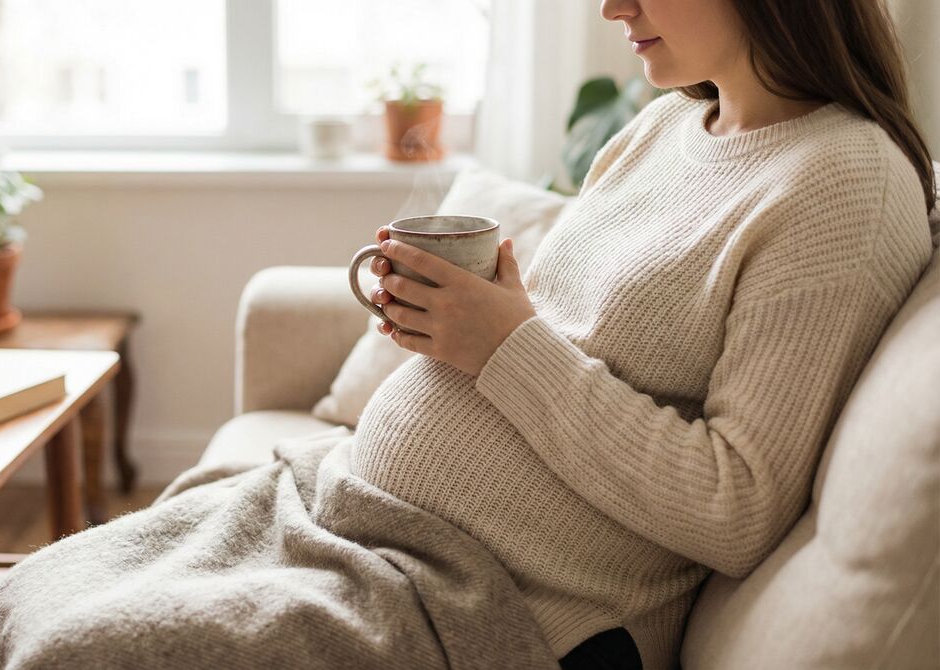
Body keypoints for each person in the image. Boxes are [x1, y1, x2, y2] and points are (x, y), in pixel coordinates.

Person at [359, 0, 934, 668]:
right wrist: (477, 319)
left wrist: (503, 345)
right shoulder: (666, 124)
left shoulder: (843, 183)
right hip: (381, 541)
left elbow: (738, 506)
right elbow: (564, 339)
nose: (612, 8)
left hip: (512, 612)